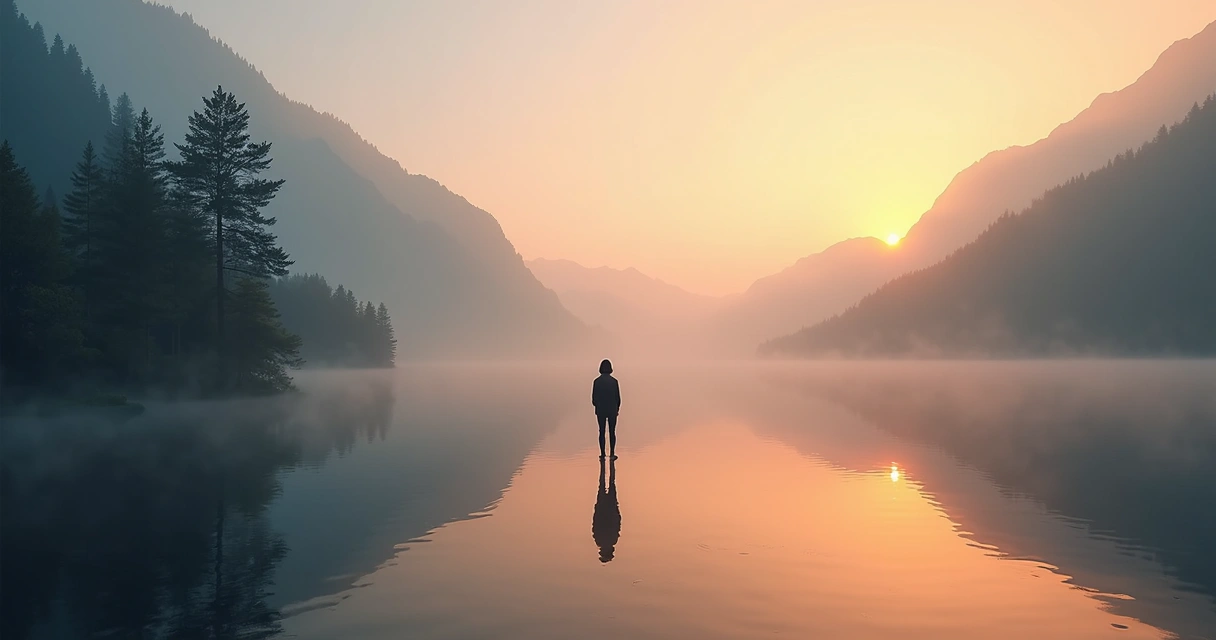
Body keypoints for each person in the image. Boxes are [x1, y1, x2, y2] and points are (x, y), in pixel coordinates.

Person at [591, 457, 621, 563]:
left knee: (606, 484)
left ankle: (604, 463)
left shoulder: (605, 540)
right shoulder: (607, 540)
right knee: (608, 484)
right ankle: (606, 463)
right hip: (608, 509)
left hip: (605, 509)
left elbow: (595, 525)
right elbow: (617, 524)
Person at [591, 359, 621, 459]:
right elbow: (618, 398)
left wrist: (597, 406)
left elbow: (594, 399)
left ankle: (603, 454)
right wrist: (617, 408)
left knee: (601, 431)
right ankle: (612, 454)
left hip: (601, 410)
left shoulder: (596, 381)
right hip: (612, 409)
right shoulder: (614, 382)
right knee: (612, 431)